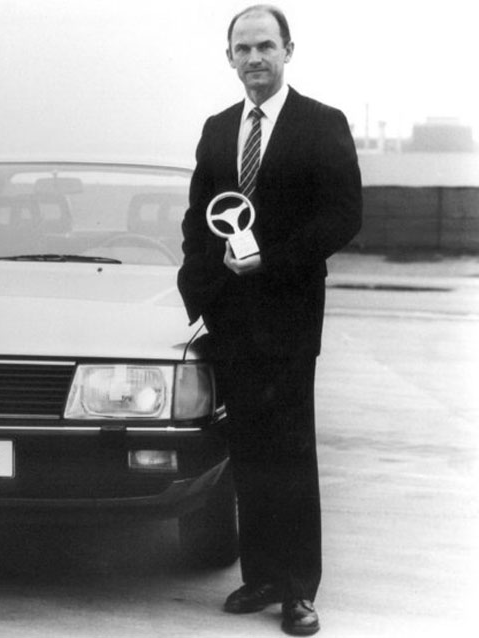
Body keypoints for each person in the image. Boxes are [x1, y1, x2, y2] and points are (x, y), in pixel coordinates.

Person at [177, 5, 362, 636]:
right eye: (243, 48)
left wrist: (270, 262)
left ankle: (298, 589)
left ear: (288, 51)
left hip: (288, 317)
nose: (254, 58)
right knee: (248, 452)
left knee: (291, 453)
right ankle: (259, 576)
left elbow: (343, 216)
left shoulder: (322, 124)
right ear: (229, 57)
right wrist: (201, 283)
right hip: (231, 319)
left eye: (265, 46)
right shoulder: (216, 129)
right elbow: (198, 216)